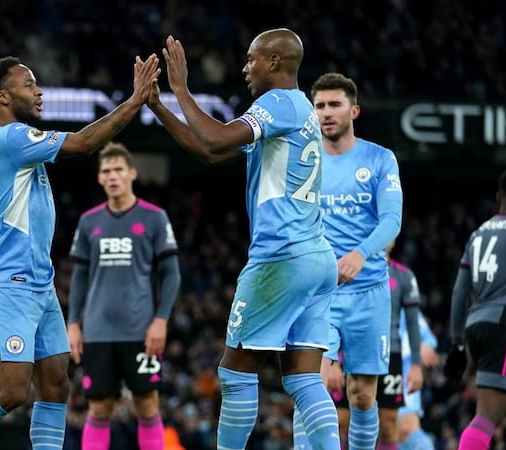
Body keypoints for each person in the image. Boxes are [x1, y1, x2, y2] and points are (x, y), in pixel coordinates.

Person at [0, 54, 160, 449]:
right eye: (28, 84)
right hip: (10, 281)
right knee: (12, 391)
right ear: (3, 97)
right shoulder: (13, 137)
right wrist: (136, 99)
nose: (38, 90)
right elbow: (85, 142)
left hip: (38, 281)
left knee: (56, 384)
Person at [147, 30, 341, 449]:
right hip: (317, 258)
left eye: (252, 59)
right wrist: (158, 107)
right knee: (304, 379)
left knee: (235, 372)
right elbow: (212, 153)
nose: (245, 67)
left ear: (274, 61)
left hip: (281, 258)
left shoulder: (276, 103)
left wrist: (179, 89)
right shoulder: (302, 110)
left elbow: (215, 137)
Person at [293, 72, 403, 450]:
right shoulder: (302, 161)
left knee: (361, 395)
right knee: (312, 385)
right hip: (318, 293)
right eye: (319, 106)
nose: (326, 112)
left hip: (369, 292)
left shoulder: (379, 159)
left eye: (334, 104)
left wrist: (360, 253)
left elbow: (392, 219)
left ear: (353, 110)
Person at [66, 142, 182, 450]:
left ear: (132, 173)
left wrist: (161, 320)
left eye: (118, 169)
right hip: (98, 330)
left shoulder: (155, 217)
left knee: (147, 405)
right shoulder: (89, 221)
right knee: (99, 407)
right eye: (106, 171)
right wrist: (73, 323)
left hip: (140, 329)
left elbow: (172, 274)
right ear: (99, 178)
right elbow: (79, 276)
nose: (112, 176)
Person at [328, 240, 424, 450]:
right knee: (340, 420)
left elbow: (413, 324)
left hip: (391, 354)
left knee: (389, 423)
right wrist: (332, 360)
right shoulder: (352, 268)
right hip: (350, 352)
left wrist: (416, 365)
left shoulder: (403, 276)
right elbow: (335, 314)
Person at [447, 167, 506, 450]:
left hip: (477, 326)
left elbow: (460, 291)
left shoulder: (478, 235)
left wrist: (457, 343)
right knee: (487, 416)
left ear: (499, 196)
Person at [398, 309, 438, 450]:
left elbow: (429, 340)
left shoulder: (406, 308)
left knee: (407, 429)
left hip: (404, 376)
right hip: (372, 375)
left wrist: (423, 346)